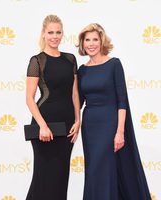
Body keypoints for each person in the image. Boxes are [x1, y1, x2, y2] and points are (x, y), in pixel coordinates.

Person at [77, 23, 151, 200]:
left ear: (102, 41)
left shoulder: (114, 64)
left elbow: (122, 101)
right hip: (90, 126)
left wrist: (120, 132)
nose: (91, 44)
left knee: (106, 170)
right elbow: (77, 102)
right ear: (82, 43)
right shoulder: (82, 70)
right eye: (87, 40)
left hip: (110, 124)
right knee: (94, 171)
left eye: (95, 39)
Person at [25, 15, 80, 200]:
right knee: (43, 176)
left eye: (58, 32)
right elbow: (30, 98)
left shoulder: (70, 59)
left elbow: (74, 94)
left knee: (61, 176)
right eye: (50, 32)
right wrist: (42, 125)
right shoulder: (37, 61)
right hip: (44, 124)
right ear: (43, 33)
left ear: (62, 33)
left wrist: (78, 120)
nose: (54, 36)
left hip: (67, 125)